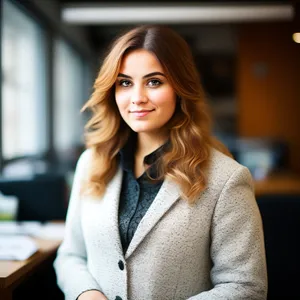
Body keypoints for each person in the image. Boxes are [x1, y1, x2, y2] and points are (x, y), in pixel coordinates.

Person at [53, 25, 267, 300]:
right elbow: (70, 254)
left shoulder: (226, 179)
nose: (138, 98)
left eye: (154, 81)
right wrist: (87, 293)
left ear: (180, 88)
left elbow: (246, 286)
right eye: (125, 82)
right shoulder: (91, 163)